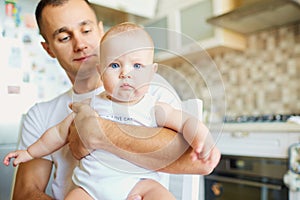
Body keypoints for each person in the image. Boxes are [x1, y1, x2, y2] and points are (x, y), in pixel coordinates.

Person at [10, 0, 220, 199]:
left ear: (101, 31)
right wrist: (29, 152)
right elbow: (26, 193)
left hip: (139, 187)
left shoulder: (154, 94)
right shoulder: (52, 112)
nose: (80, 44)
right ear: (48, 49)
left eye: (86, 30)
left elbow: (197, 159)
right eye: (64, 37)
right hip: (88, 188)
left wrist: (101, 133)